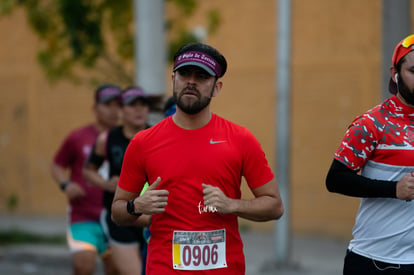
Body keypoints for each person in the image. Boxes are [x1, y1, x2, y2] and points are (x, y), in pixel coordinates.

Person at [111, 42, 284, 274]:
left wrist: (232, 204)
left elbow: (275, 205)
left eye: (201, 76)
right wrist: (136, 206)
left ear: (216, 87)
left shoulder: (240, 139)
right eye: (184, 73)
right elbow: (117, 212)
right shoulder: (143, 142)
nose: (191, 81)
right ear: (173, 79)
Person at [326, 34, 414, 274]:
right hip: (376, 261)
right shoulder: (372, 122)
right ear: (394, 73)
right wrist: (393, 189)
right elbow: (335, 180)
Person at [51, 84, 122, 275]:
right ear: (95, 108)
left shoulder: (128, 139)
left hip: (116, 218)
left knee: (116, 269)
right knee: (84, 267)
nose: (114, 110)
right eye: (108, 104)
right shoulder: (78, 137)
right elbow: (57, 165)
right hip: (83, 216)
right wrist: (66, 184)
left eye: (118, 105)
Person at [83, 86, 150, 275]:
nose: (139, 110)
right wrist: (105, 184)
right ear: (121, 110)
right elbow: (89, 170)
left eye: (143, 105)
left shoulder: (158, 135)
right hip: (121, 217)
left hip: (150, 217)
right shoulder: (107, 138)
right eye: (132, 105)